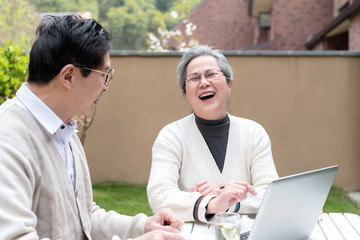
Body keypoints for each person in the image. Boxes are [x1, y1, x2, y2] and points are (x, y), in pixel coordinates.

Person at [0, 15, 185, 240]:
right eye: (104, 75)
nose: (105, 87)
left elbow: (83, 217)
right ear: (69, 76)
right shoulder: (8, 138)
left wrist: (144, 227)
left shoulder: (64, 129)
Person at [147, 45, 279, 223]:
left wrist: (228, 200)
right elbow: (160, 196)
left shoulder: (254, 133)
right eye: (194, 78)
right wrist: (213, 203)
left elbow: (272, 194)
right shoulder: (171, 136)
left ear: (229, 84)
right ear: (186, 92)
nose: (203, 82)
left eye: (210, 74)